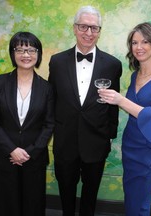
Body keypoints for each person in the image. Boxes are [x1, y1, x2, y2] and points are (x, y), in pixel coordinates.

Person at [48, 5, 122, 216]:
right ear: (74, 28)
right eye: (84, 27)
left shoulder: (113, 64)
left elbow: (113, 105)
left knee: (91, 192)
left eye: (94, 28)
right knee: (66, 190)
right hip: (65, 140)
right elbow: (52, 99)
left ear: (99, 31)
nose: (89, 33)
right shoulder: (57, 61)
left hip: (96, 141)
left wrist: (109, 136)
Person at [98, 22, 151, 216]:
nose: (139, 47)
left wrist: (120, 100)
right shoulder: (136, 76)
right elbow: (137, 111)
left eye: (145, 42)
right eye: (134, 42)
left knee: (139, 197)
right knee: (133, 197)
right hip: (131, 145)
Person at [0, 31, 55, 216]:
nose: (26, 55)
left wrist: (30, 152)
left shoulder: (47, 88)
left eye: (31, 50)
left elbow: (49, 125)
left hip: (34, 158)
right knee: (5, 204)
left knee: (33, 205)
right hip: (4, 157)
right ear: (13, 53)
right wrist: (12, 150)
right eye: (20, 50)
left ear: (38, 54)